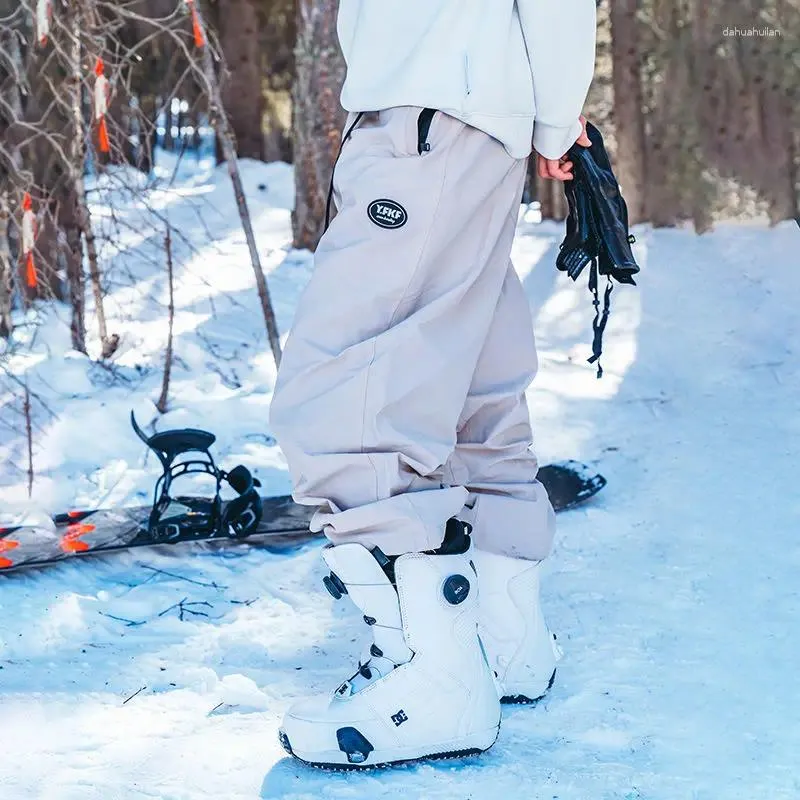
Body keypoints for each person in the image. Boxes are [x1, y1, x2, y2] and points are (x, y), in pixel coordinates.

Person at [270, 0, 597, 768]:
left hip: (433, 108)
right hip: (450, 114)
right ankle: (501, 641)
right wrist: (546, 116)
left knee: (347, 395)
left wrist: (553, 118)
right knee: (469, 382)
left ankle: (433, 679)